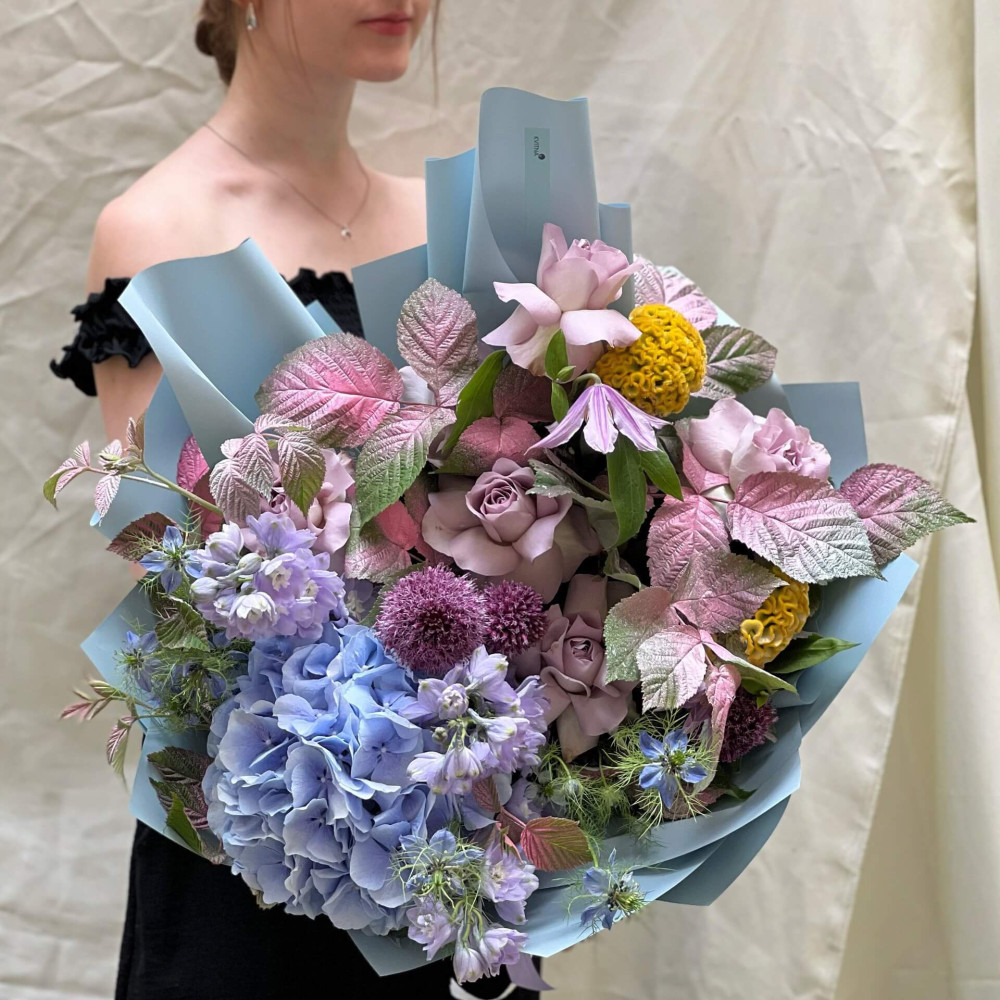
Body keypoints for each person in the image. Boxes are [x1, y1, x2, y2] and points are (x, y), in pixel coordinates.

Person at [51, 3, 536, 997]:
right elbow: (186, 567)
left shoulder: (448, 219)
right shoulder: (159, 230)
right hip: (269, 834)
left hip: (456, 827)